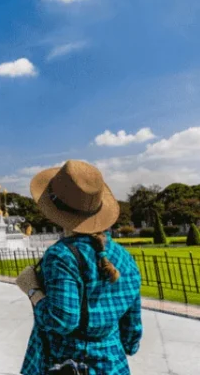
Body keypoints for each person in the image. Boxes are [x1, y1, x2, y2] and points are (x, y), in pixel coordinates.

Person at [16, 160, 142, 375]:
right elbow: (132, 332)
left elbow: (62, 320)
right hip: (113, 363)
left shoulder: (61, 255)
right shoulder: (124, 257)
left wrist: (32, 289)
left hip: (68, 363)